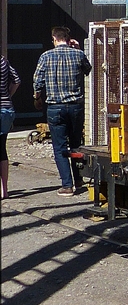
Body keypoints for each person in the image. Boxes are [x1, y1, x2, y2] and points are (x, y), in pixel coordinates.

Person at [32, 27, 92, 196]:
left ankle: (67, 185)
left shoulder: (46, 56)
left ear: (54, 38)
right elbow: (88, 70)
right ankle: (79, 179)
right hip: (75, 106)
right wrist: (79, 49)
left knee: (59, 147)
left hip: (55, 106)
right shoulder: (78, 55)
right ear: (68, 38)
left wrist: (37, 97)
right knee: (76, 144)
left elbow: (38, 79)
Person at [0, 54, 19, 199]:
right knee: (2, 149)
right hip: (6, 109)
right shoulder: (3, 61)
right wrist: (9, 95)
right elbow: (17, 80)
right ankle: (4, 189)